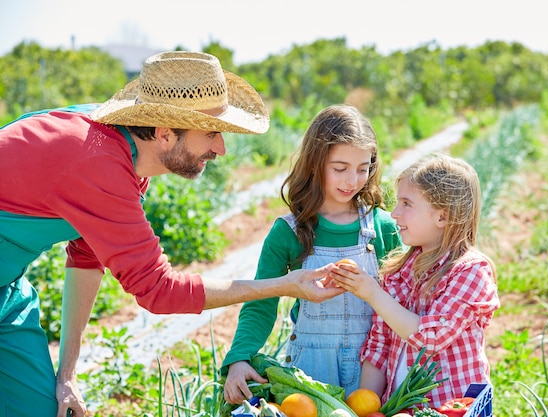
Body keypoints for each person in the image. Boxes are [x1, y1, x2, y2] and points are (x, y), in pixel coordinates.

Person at [0, 51, 344, 417]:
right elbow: (159, 291)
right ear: (164, 133)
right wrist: (283, 284)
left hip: (8, 293)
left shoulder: (123, 151)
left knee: (40, 408)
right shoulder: (98, 162)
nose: (221, 149)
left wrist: (66, 375)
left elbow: (85, 257)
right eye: (212, 133)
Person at [220, 104, 403, 404]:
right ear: (315, 164)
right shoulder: (289, 232)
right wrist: (240, 358)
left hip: (375, 370)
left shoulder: (382, 228)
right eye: (340, 169)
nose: (352, 181)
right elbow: (260, 303)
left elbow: (403, 300)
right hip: (311, 373)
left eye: (363, 168)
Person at [329, 153, 500, 408]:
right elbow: (379, 346)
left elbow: (431, 339)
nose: (395, 213)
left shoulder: (470, 271)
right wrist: (366, 406)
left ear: (442, 217)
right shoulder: (399, 270)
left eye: (407, 204)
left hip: (452, 408)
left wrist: (374, 294)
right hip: (401, 409)